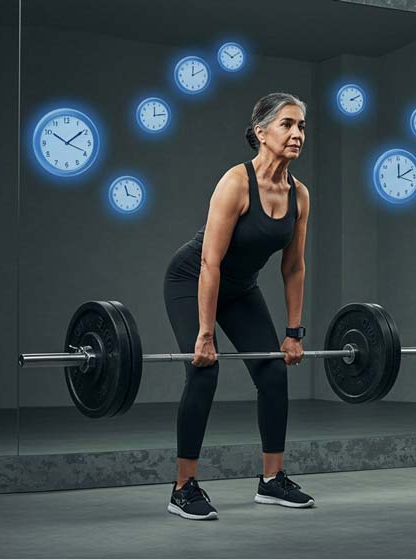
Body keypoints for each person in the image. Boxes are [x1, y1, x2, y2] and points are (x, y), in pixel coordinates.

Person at [163, 92, 313, 520]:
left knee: (273, 373)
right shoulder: (235, 183)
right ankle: (183, 487)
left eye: (301, 126)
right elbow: (210, 262)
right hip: (192, 279)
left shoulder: (299, 195)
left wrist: (293, 332)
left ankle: (272, 480)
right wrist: (205, 334)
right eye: (287, 124)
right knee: (204, 372)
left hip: (241, 288)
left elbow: (294, 267)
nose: (297, 134)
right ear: (261, 132)